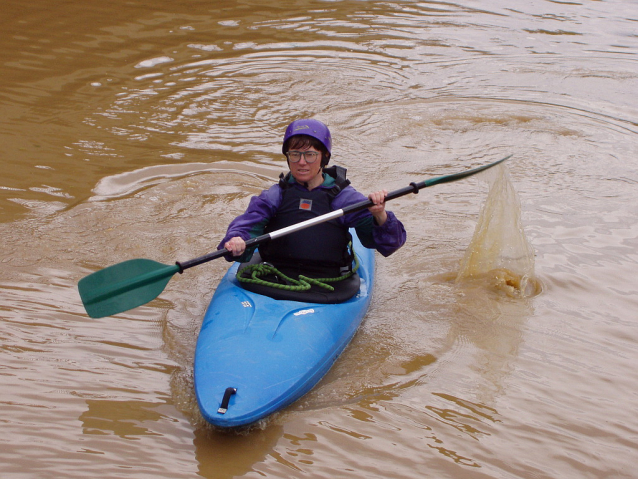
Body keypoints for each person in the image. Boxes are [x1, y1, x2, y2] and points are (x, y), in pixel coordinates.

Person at [218, 119, 406, 287]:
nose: (301, 162)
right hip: (274, 273)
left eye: (310, 155)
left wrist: (380, 215)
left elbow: (390, 244)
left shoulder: (344, 198)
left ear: (324, 157)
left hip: (328, 280)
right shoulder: (275, 196)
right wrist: (235, 239)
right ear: (287, 157)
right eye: (295, 154)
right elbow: (246, 224)